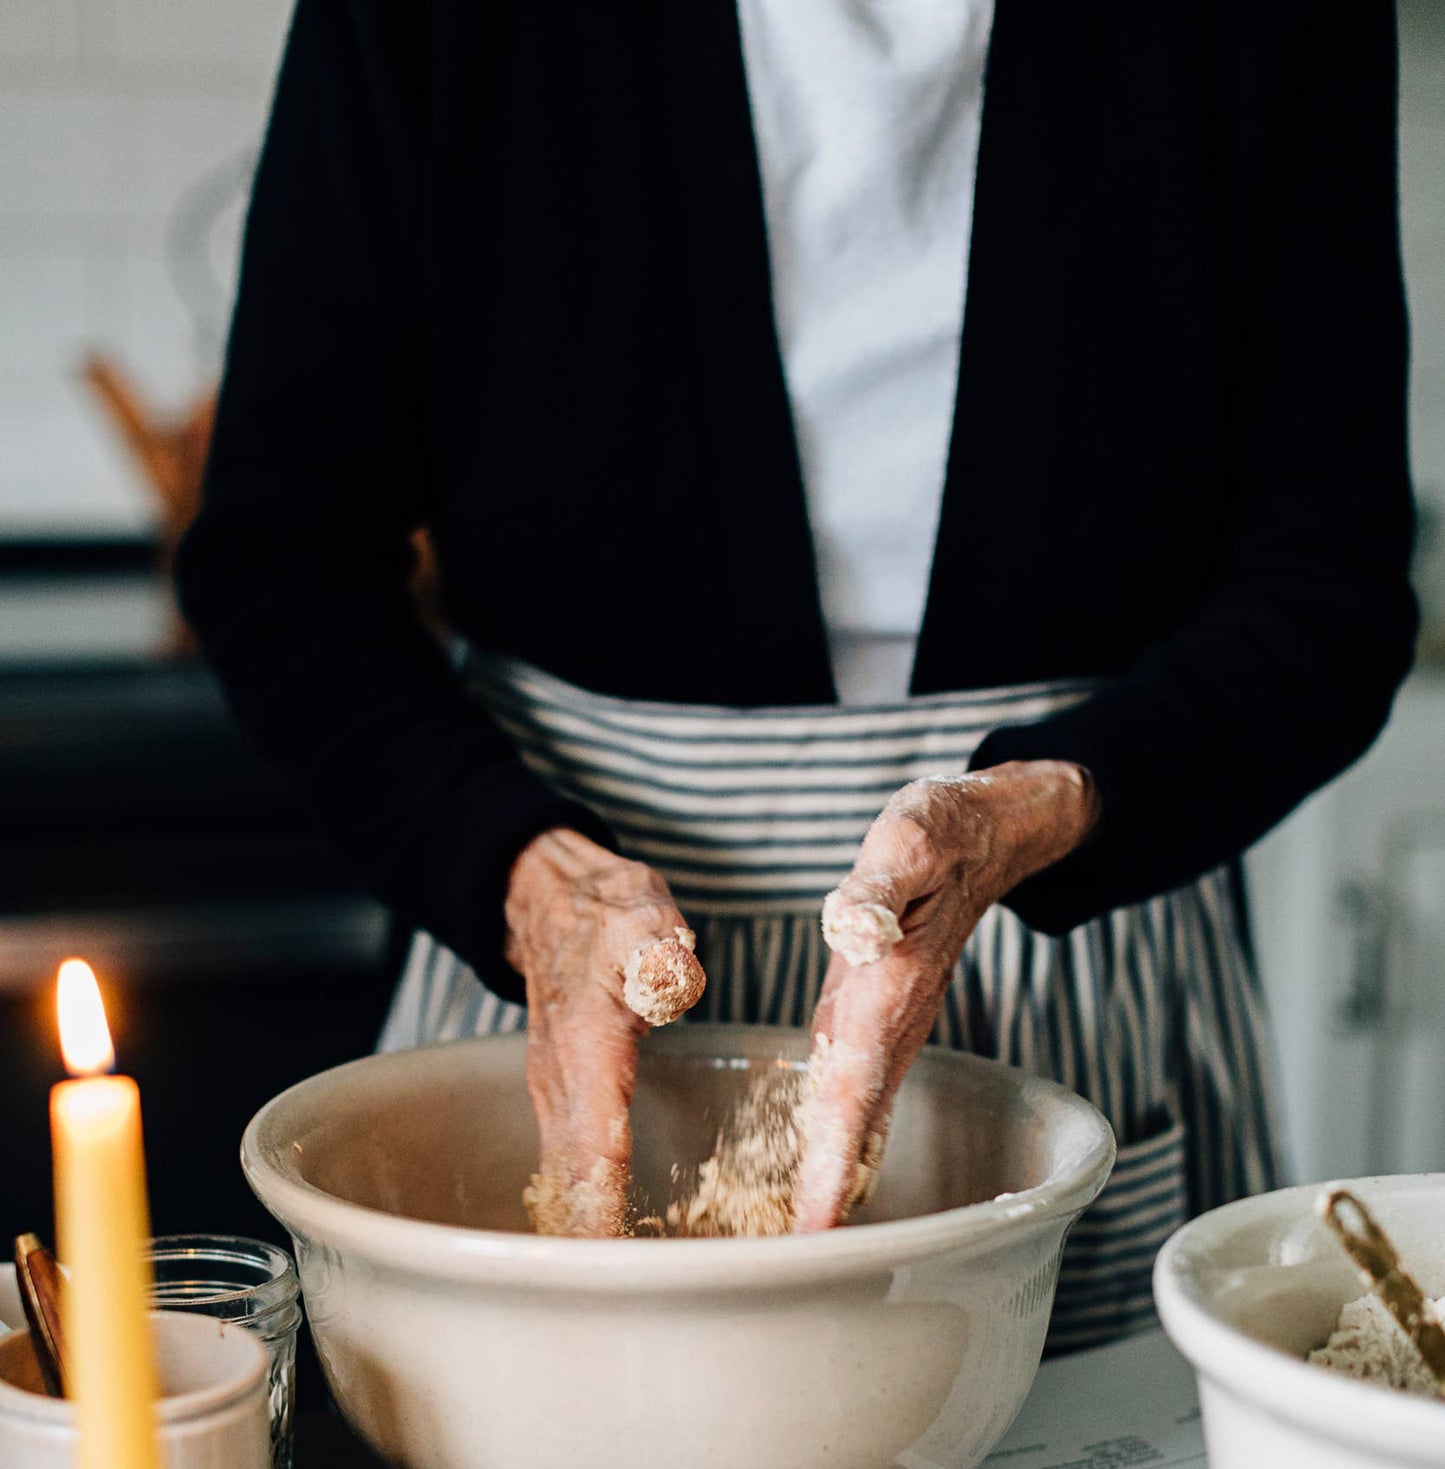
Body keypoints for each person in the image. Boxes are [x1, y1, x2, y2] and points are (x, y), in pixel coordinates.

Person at [178, 1, 1415, 1347]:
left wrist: (1024, 812)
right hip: (554, 926)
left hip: (1059, 949)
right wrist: (528, 884)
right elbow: (278, 558)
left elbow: (1332, 584)